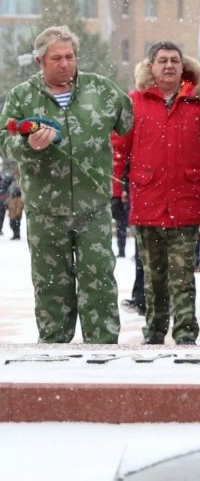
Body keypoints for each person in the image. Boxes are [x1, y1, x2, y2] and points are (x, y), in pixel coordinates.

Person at [0, 25, 132, 343]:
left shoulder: (101, 90)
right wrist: (27, 145)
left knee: (98, 280)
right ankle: (54, 350)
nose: (64, 64)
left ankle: (102, 351)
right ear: (40, 62)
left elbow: (131, 123)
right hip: (46, 210)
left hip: (93, 208)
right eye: (56, 58)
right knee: (51, 285)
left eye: (69, 56)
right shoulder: (22, 96)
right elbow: (4, 139)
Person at [113, 42, 200, 345]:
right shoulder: (135, 103)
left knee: (183, 277)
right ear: (151, 67)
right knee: (153, 277)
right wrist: (113, 190)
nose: (168, 66)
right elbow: (118, 149)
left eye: (174, 60)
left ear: (183, 66)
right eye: (162, 61)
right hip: (148, 203)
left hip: (185, 204)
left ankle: (186, 332)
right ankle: (154, 332)